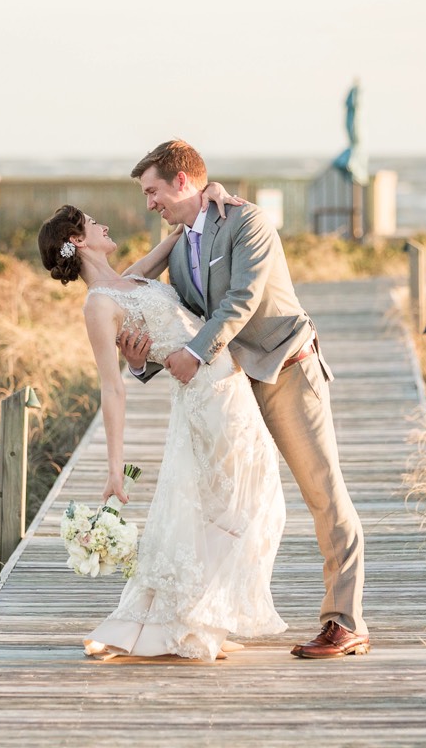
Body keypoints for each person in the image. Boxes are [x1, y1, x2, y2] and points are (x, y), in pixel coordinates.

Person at [121, 139, 369, 659]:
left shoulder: (247, 221)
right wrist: (141, 362)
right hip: (229, 385)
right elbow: (174, 312)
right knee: (223, 502)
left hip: (286, 370)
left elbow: (241, 299)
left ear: (182, 180)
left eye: (152, 190)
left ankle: (344, 622)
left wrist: (194, 352)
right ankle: (210, 618)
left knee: (323, 492)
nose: (149, 202)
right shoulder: (179, 245)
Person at [37, 185, 287, 662]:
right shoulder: (98, 306)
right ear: (78, 240)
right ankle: (194, 622)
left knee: (237, 502)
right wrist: (114, 468)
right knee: (242, 504)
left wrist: (211, 190)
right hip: (205, 399)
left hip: (227, 384)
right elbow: (112, 388)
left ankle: (201, 618)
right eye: (93, 223)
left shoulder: (132, 277)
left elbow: (181, 229)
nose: (104, 225)